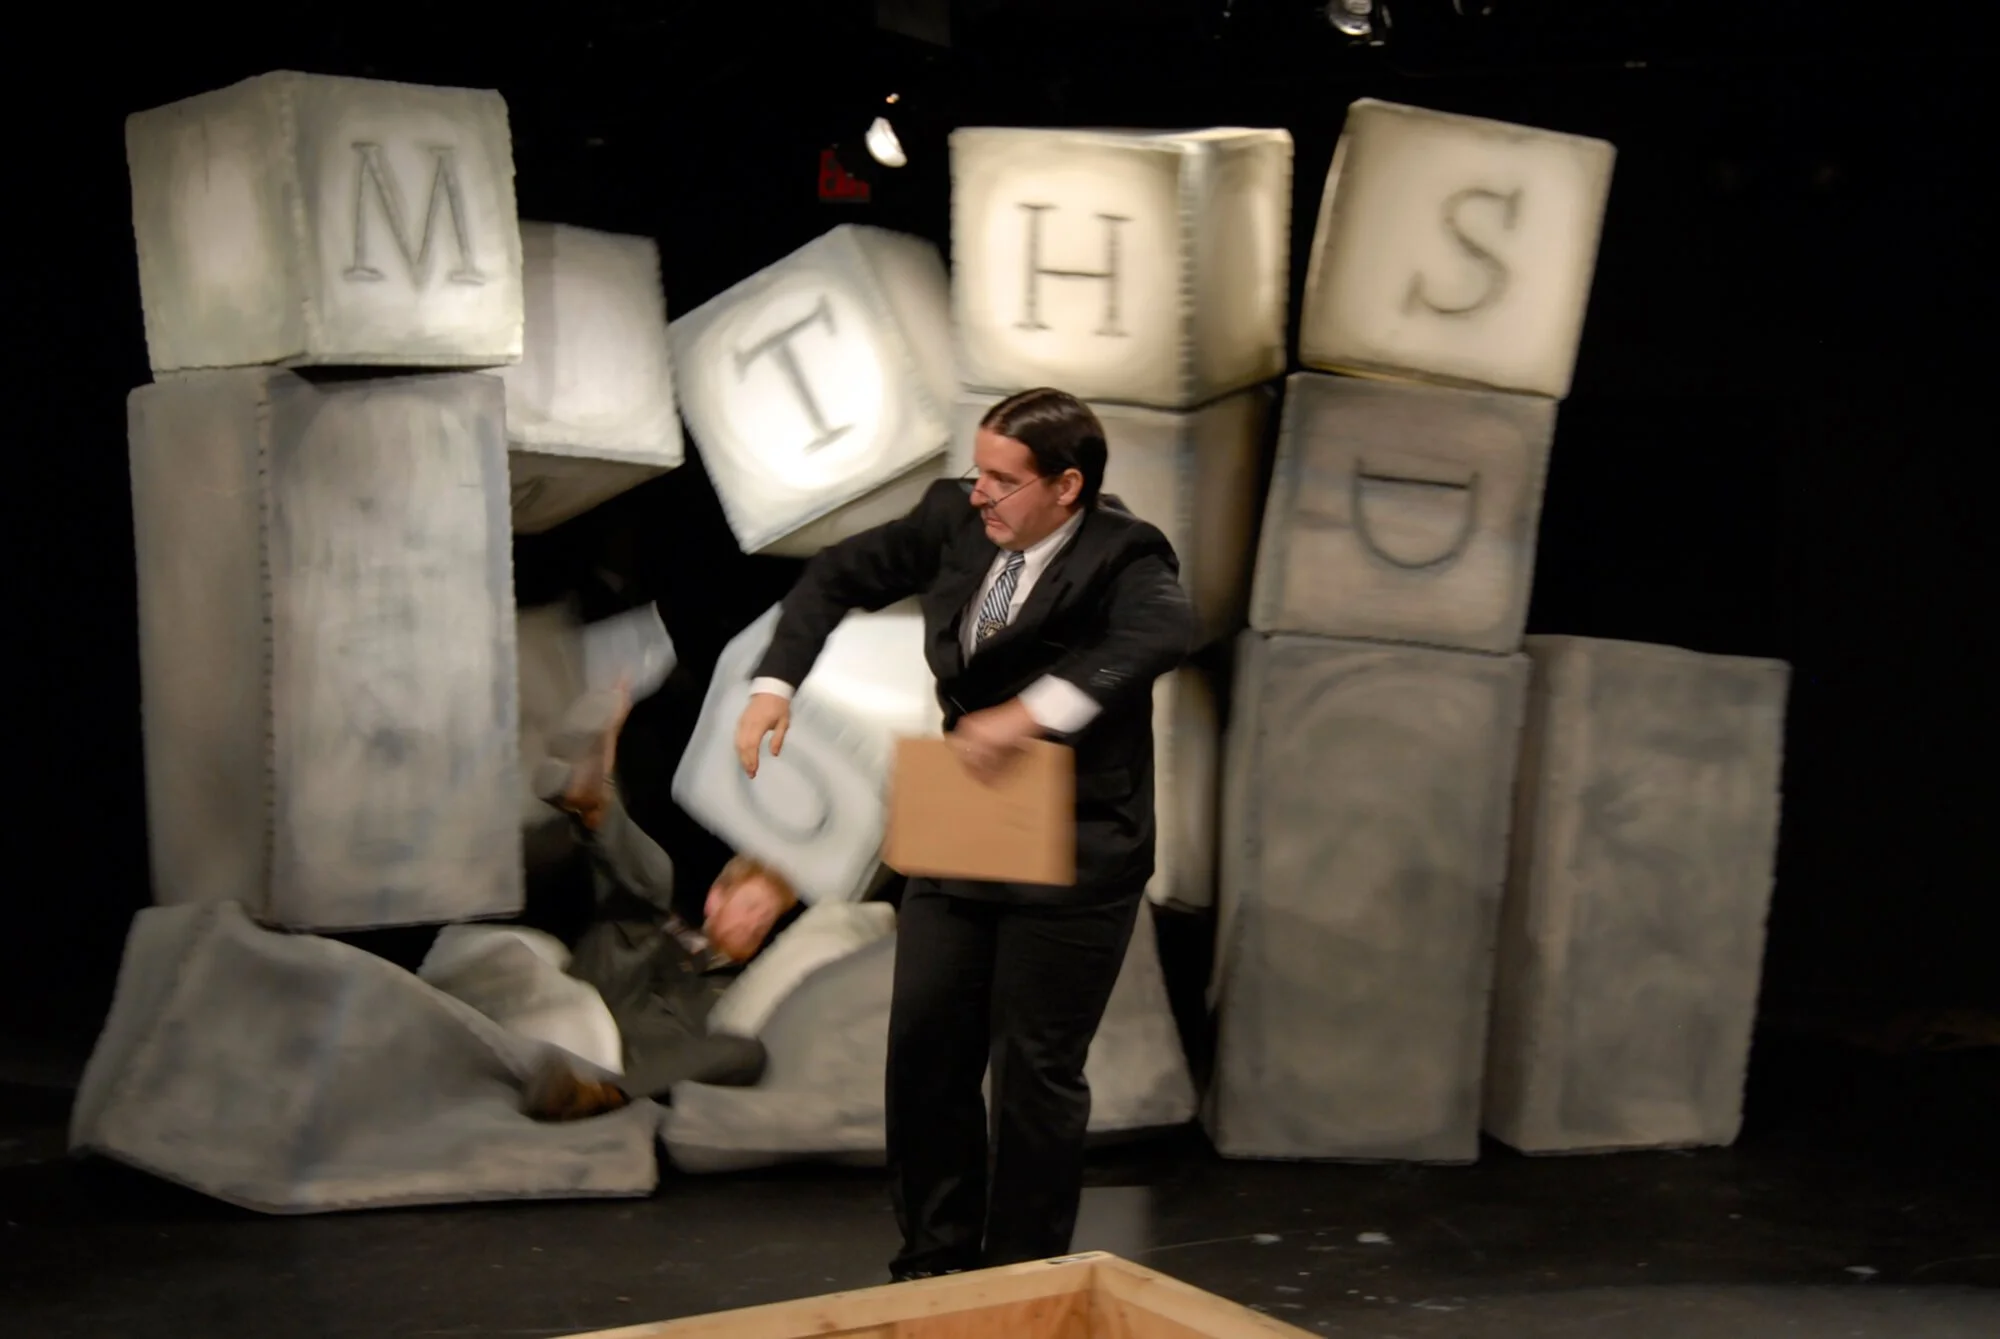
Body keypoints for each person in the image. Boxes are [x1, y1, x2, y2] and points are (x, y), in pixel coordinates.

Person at [733, 387, 1197, 1279]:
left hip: (1074, 839)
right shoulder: (955, 516)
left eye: (1001, 478)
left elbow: (1161, 629)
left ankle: (1021, 1278)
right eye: (977, 470)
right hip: (965, 815)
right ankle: (935, 1263)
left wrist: (1028, 713)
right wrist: (773, 685)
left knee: (1033, 1074)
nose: (977, 490)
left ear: (1066, 487)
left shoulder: (1124, 551)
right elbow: (835, 572)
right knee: (924, 1053)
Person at [522, 684, 802, 1119]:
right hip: (616, 980)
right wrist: (610, 737)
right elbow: (622, 879)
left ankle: (600, 1095)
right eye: (750, 907)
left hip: (654, 1045)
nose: (755, 924)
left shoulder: (734, 988)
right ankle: (595, 798)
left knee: (745, 1052)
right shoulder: (658, 922)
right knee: (650, 888)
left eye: (765, 921)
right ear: (715, 899)